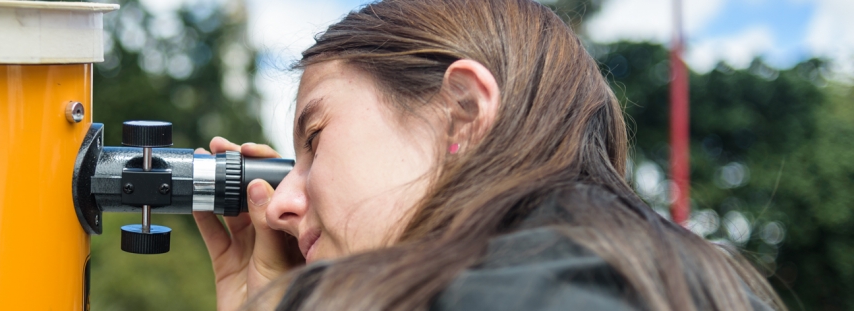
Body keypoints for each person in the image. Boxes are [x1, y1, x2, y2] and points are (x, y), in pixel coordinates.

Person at [193, 0, 784, 310]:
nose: (280, 206)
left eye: (315, 139)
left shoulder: (529, 291)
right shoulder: (669, 276)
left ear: (465, 112)